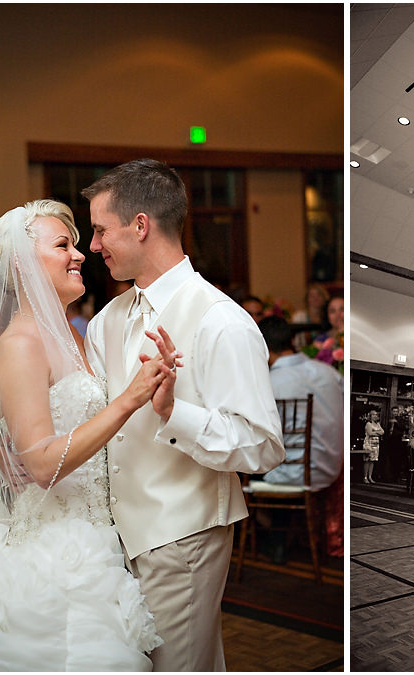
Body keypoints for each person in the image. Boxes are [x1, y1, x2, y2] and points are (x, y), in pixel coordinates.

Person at [0, 200, 171, 670]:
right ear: (22, 266)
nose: (81, 254)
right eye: (63, 244)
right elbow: (43, 464)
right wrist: (128, 399)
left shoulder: (75, 335)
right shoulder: (20, 343)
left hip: (99, 534)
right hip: (54, 549)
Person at [81, 159, 285, 671]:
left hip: (182, 536)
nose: (93, 245)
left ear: (141, 225)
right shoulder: (107, 320)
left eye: (101, 229)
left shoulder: (222, 322)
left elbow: (262, 447)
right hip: (115, 537)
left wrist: (176, 413)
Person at [256, 316, 343, 491]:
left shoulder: (268, 383)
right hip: (331, 471)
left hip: (288, 474)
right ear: (292, 341)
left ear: (261, 348)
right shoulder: (330, 373)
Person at [363, 409, 384, 483]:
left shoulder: (377, 424)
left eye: (376, 414)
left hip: (376, 444)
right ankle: (365, 477)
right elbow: (370, 433)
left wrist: (375, 431)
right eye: (373, 414)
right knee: (367, 460)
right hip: (369, 443)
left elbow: (382, 432)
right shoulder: (368, 423)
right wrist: (377, 432)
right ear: (370, 416)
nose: (375, 416)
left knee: (373, 461)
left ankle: (370, 476)